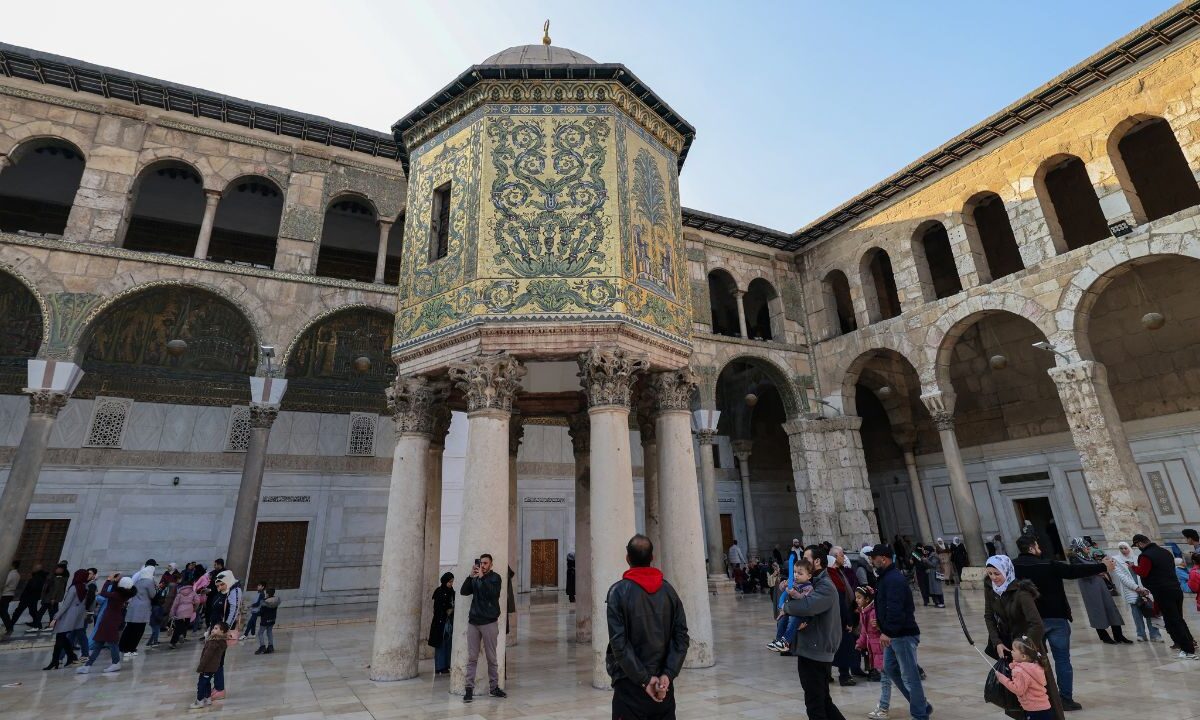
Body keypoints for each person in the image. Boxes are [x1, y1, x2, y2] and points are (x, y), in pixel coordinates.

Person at [1012, 535, 1114, 710]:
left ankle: (1040, 697)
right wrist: (1103, 566)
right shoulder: (1049, 565)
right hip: (1056, 617)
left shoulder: (1012, 567)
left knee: (1033, 660)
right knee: (1062, 660)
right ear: (1031, 548)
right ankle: (1065, 699)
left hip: (1030, 620)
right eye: (1037, 546)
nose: (1040, 549)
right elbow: (1074, 572)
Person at [605, 534, 689, 720]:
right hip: (663, 688)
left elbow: (619, 644)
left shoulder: (617, 593)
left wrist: (644, 679)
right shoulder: (669, 591)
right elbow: (681, 637)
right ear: (652, 557)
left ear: (627, 558)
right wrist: (668, 674)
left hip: (630, 685)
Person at [983, 555, 1064, 720]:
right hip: (1009, 648)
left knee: (1040, 691)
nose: (993, 578)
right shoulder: (991, 590)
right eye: (990, 574)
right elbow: (989, 617)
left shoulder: (1021, 592)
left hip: (1028, 648)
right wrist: (997, 642)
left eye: (997, 573)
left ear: (1006, 571)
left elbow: (1037, 624)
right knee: (1016, 694)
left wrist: (1023, 647)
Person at [782, 545, 847, 720]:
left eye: (806, 557)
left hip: (816, 651)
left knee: (815, 704)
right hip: (812, 649)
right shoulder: (813, 583)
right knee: (823, 700)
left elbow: (807, 606)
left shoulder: (824, 585)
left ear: (817, 561)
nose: (802, 561)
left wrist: (786, 607)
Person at [867, 543, 931, 720]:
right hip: (892, 634)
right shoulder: (885, 577)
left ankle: (920, 714)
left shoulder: (893, 579)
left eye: (874, 558)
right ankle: (921, 704)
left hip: (901, 634)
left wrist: (888, 631)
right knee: (890, 669)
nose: (872, 561)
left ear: (884, 559)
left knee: (910, 676)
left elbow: (896, 609)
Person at [1132, 533, 1197, 659]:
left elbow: (1143, 572)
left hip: (1163, 592)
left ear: (1140, 543)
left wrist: (1133, 567)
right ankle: (1190, 643)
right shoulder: (1165, 552)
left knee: (1173, 621)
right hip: (1175, 589)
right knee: (1178, 619)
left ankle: (1188, 651)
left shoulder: (1145, 556)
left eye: (1137, 545)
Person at [1065, 538, 1129, 644]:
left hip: (1100, 585)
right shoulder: (1075, 559)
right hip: (1089, 587)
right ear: (1079, 548)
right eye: (1086, 547)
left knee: (1111, 608)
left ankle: (1119, 635)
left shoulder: (1088, 557)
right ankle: (1104, 636)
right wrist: (1097, 571)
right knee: (1097, 610)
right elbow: (1080, 573)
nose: (1088, 549)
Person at [460, 552, 504, 703]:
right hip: (474, 622)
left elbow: (493, 594)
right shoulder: (476, 578)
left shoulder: (495, 578)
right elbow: (463, 592)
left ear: (491, 565)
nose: (483, 566)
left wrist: (482, 578)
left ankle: (494, 688)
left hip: (489, 622)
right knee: (472, 657)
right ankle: (468, 690)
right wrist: (470, 576)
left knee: (492, 657)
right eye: (481, 563)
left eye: (486, 563)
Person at [77, 574, 135, 674]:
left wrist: (108, 581)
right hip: (111, 620)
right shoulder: (123, 594)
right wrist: (114, 582)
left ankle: (114, 663)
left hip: (110, 620)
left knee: (110, 643)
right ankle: (88, 665)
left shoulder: (117, 595)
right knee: (101, 643)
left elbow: (104, 592)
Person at [995, 637, 1057, 720]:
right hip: (1045, 708)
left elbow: (1018, 690)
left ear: (1023, 656)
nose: (1011, 652)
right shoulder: (1035, 666)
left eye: (1013, 650)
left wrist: (1002, 678)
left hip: (1034, 710)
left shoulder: (1020, 671)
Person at [1111, 542, 1161, 642]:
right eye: (1121, 548)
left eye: (1125, 548)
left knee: (1150, 611)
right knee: (1136, 614)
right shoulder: (1116, 559)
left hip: (1144, 589)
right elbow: (1122, 577)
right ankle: (1141, 634)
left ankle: (1155, 634)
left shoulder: (1138, 557)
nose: (1123, 550)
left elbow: (1144, 572)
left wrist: (1143, 589)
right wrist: (1136, 588)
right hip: (1131, 590)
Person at [855, 586, 892, 720]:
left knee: (886, 680)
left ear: (867, 599)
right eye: (856, 598)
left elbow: (883, 630)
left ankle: (883, 707)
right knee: (888, 679)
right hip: (876, 651)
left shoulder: (874, 612)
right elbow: (864, 632)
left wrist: (879, 626)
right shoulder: (863, 612)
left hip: (882, 649)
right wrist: (860, 643)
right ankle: (883, 706)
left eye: (859, 598)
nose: (857, 600)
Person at [206, 570, 242, 700]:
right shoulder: (222, 593)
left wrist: (224, 630)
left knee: (217, 660)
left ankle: (219, 689)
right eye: (217, 585)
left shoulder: (234, 591)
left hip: (221, 633)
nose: (219, 587)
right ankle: (217, 687)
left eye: (221, 584)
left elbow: (233, 610)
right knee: (214, 659)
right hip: (215, 631)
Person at [44, 569, 89, 670]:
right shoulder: (85, 587)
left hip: (68, 616)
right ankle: (71, 657)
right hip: (77, 617)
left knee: (60, 638)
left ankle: (55, 661)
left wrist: (55, 617)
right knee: (62, 638)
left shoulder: (74, 588)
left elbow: (66, 605)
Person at [768, 559, 813, 653]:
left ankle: (786, 641)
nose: (796, 575)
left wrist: (793, 593)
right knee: (781, 620)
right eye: (795, 572)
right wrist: (783, 584)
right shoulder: (792, 581)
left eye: (800, 573)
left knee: (793, 620)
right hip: (790, 610)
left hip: (800, 613)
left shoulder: (808, 587)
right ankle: (778, 640)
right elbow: (781, 588)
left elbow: (802, 598)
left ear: (809, 576)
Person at [120, 560, 156, 656]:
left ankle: (123, 647)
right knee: (139, 630)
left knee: (129, 628)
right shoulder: (149, 582)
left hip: (133, 607)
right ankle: (131, 649)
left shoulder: (138, 581)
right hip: (142, 609)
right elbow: (153, 595)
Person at [192, 621, 229, 710]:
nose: (213, 630)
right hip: (213, 668)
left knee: (201, 684)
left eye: (216, 629)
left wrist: (200, 667)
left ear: (222, 631)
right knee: (207, 682)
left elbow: (206, 657)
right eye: (213, 628)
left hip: (207, 667)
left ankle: (199, 701)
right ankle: (207, 698)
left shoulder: (213, 642)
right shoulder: (221, 641)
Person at [429, 572, 455, 675]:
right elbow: (437, 608)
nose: (451, 584)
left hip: (449, 622)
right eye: (449, 581)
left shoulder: (452, 592)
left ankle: (447, 665)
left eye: (452, 581)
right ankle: (440, 667)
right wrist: (446, 611)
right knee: (440, 644)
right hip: (440, 622)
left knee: (449, 644)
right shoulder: (439, 592)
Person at [12, 563, 47, 632]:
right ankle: (37, 624)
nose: (32, 569)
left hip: (29, 597)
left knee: (19, 611)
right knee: (32, 611)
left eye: (34, 568)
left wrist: (26, 594)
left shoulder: (37, 577)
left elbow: (33, 587)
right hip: (32, 597)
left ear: (37, 569)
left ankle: (10, 625)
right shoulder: (39, 576)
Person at [168, 577, 200, 649]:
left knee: (178, 627)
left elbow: (175, 604)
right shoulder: (192, 592)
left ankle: (173, 642)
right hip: (189, 611)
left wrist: (172, 613)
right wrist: (194, 608)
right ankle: (182, 634)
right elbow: (198, 601)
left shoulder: (179, 593)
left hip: (180, 611)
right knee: (185, 625)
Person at [255, 588, 279, 654]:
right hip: (272, 619)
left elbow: (261, 612)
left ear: (267, 594)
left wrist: (256, 613)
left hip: (265, 620)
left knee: (260, 633)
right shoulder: (276, 600)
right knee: (269, 632)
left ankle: (262, 647)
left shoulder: (264, 602)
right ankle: (270, 647)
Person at [1, 559, 19, 635]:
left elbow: (5, 583)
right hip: (10, 594)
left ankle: (9, 627)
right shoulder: (17, 574)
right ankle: (9, 627)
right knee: (3, 611)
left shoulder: (11, 574)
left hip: (5, 594)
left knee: (3, 612)